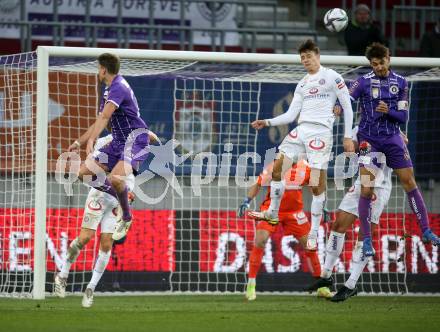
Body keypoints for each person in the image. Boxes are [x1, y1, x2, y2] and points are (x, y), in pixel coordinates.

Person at [248, 39, 355, 252]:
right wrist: (267, 121)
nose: (306, 60)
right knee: (277, 170)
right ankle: (272, 212)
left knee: (316, 185)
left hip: (320, 133)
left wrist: (347, 136)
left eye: (309, 56)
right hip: (300, 130)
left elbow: (347, 106)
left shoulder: (332, 77)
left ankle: (314, 232)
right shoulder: (303, 83)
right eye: (303, 58)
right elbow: (290, 114)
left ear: (317, 55)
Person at [349, 42, 440, 257]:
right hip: (367, 140)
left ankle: (426, 230)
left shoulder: (401, 83)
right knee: (366, 189)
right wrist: (337, 105)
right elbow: (347, 99)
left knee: (409, 182)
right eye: (374, 64)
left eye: (381, 63)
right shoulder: (362, 82)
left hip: (392, 138)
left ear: (388, 59)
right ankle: (367, 241)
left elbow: (403, 117)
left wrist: (387, 110)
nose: (378, 67)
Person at [54, 132, 159, 307]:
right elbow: (93, 174)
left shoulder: (135, 139)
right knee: (85, 238)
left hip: (118, 201)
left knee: (106, 244)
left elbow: (154, 138)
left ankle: (90, 289)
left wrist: (144, 132)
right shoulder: (105, 142)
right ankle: (63, 274)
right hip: (99, 196)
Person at [305, 126, 394, 301]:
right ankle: (326, 276)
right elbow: (351, 147)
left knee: (364, 236)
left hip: (379, 185)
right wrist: (349, 145)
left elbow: (402, 145)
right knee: (338, 225)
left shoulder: (391, 128)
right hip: (361, 182)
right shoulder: (359, 127)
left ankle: (351, 284)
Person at [67, 53, 149, 241]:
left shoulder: (118, 87)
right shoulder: (109, 89)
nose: (98, 71)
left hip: (134, 141)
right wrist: (80, 141)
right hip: (118, 142)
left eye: (98, 68)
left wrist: (91, 141)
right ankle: (125, 198)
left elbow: (105, 118)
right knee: (84, 173)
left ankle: (127, 217)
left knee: (116, 180)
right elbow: (100, 120)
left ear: (103, 69)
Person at [238, 160, 331, 300]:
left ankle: (322, 287)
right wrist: (247, 200)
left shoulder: (305, 167)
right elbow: (258, 183)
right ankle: (251, 285)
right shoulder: (275, 165)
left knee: (310, 245)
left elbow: (315, 187)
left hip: (294, 212)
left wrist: (321, 205)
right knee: (260, 241)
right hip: (272, 210)